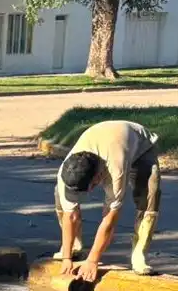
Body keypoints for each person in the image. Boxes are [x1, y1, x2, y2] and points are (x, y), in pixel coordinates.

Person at [55, 119, 162, 281]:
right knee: (60, 195)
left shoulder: (115, 171)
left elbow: (109, 219)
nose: (88, 193)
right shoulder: (67, 169)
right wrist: (67, 259)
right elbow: (70, 215)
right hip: (105, 139)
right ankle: (74, 247)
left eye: (88, 187)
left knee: (149, 194)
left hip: (140, 146)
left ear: (98, 178)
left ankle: (139, 254)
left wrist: (93, 260)